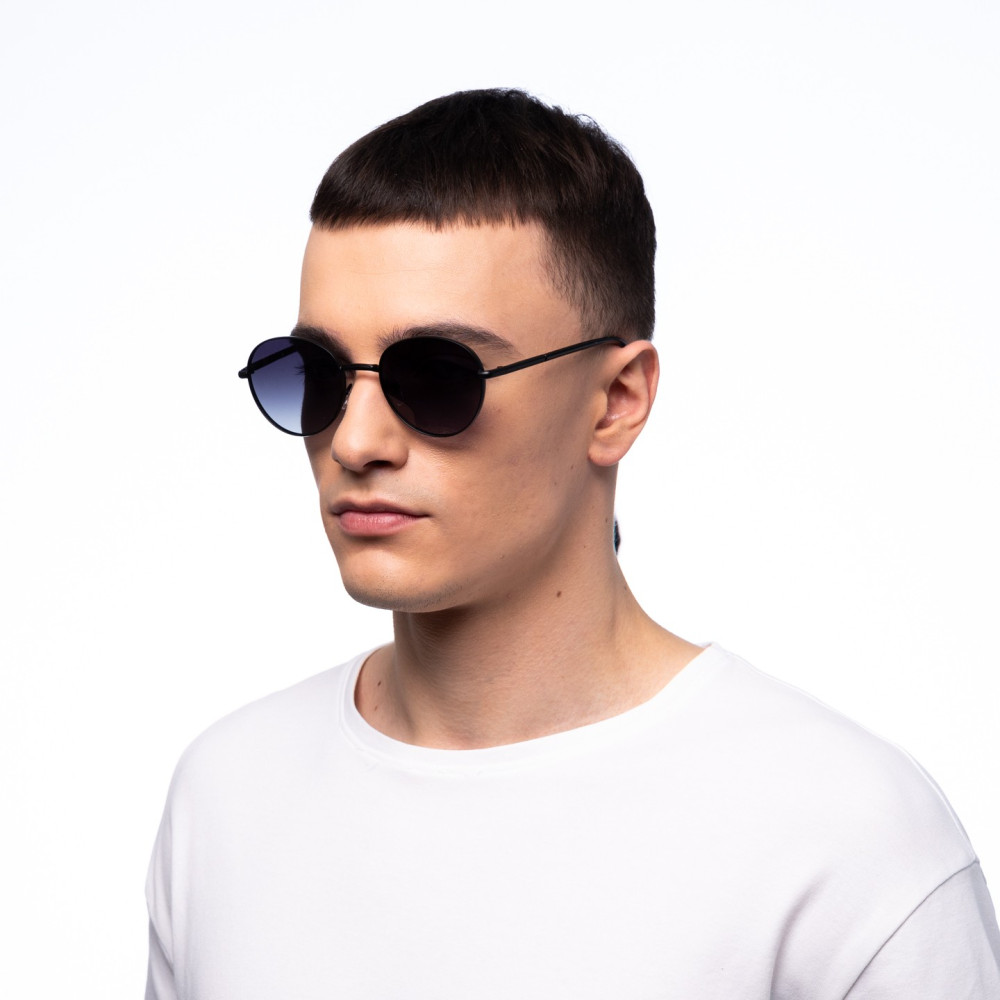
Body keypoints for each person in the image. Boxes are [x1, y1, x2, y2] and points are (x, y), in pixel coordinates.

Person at [145, 89, 1000, 999]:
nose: (355, 442)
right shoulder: (226, 797)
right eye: (315, 375)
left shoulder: (847, 845)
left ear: (617, 401)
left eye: (437, 378)